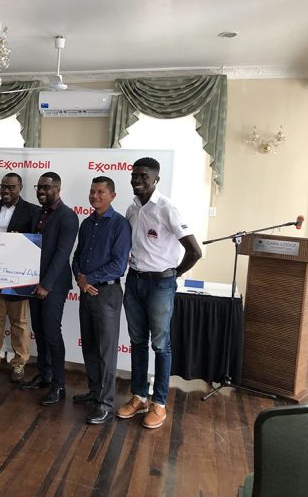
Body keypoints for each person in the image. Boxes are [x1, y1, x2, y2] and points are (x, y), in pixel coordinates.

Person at [116, 157, 202, 429]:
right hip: (134, 281)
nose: (137, 180)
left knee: (160, 345)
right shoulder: (132, 208)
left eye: (143, 176)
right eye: (134, 176)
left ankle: (159, 403)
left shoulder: (167, 208)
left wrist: (174, 274)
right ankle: (139, 396)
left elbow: (195, 251)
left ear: (156, 179)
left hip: (160, 284)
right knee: (138, 341)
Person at [71, 176, 131, 424]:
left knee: (106, 350)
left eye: (101, 192)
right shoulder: (86, 223)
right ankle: (95, 392)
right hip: (87, 292)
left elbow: (119, 265)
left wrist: (90, 279)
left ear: (113, 196)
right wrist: (80, 279)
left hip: (107, 293)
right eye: (92, 191)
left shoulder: (120, 224)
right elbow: (77, 257)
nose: (95, 196)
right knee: (90, 346)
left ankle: (105, 403)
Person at [0, 172, 40, 382]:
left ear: (20, 188)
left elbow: (36, 245)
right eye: (3, 186)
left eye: (11, 187)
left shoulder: (33, 211)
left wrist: (19, 241)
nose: (6, 191)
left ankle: (19, 362)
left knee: (19, 322)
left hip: (18, 277)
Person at [20, 171, 78, 405]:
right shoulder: (38, 213)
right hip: (34, 282)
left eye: (47, 187)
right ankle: (44, 376)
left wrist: (46, 285)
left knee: (52, 333)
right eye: (39, 187)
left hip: (52, 285)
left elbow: (62, 254)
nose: (42, 191)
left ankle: (59, 384)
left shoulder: (68, 217)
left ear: (58, 189)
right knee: (40, 332)